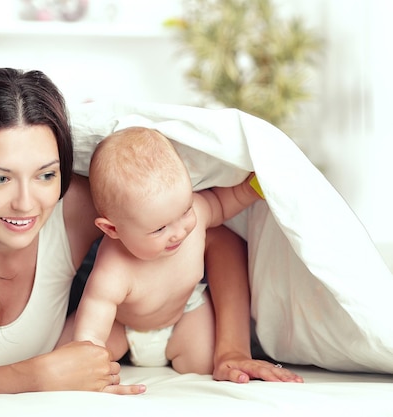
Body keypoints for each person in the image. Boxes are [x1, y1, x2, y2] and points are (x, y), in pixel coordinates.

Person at [0, 67, 298, 397]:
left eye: (45, 174)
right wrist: (35, 376)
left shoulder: (75, 207)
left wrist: (231, 348)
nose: (26, 202)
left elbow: (208, 236)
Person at [73, 127, 303, 382]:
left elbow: (223, 202)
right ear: (112, 229)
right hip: (121, 326)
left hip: (184, 315)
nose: (179, 232)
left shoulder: (197, 213)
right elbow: (95, 315)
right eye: (159, 228)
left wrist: (253, 188)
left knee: (206, 363)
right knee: (76, 356)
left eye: (185, 211)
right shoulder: (113, 269)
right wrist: (87, 349)